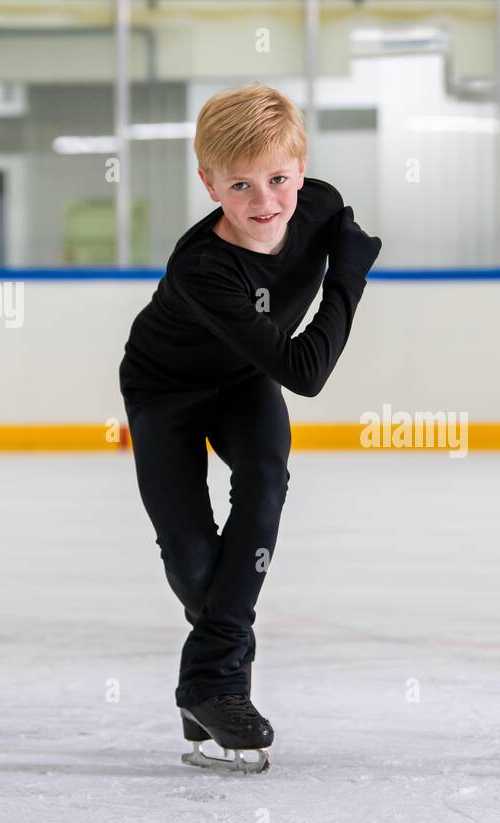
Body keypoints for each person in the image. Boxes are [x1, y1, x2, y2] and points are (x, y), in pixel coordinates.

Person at [117, 82, 382, 772]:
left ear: (301, 167)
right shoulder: (205, 267)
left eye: (279, 179)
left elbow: (284, 366)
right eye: (239, 185)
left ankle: (213, 686)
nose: (265, 202)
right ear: (207, 182)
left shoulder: (318, 204)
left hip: (243, 381)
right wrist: (347, 280)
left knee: (265, 479)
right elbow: (305, 370)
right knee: (194, 562)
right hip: (164, 389)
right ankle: (213, 679)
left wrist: (336, 254)